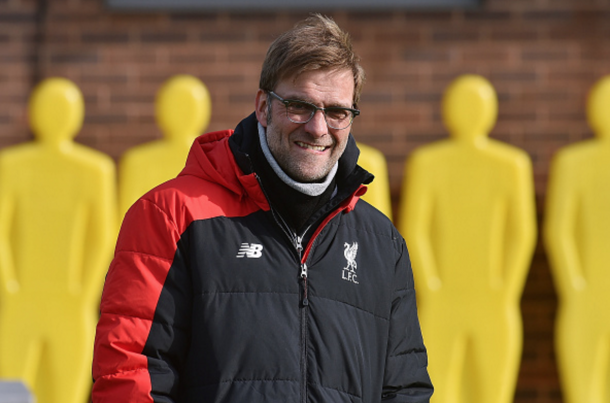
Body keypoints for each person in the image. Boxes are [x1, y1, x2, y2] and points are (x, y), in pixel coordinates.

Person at [92, 14, 433, 403]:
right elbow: (131, 376)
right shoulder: (171, 216)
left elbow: (405, 389)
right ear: (263, 107)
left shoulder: (382, 243)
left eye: (337, 112)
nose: (318, 127)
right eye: (299, 105)